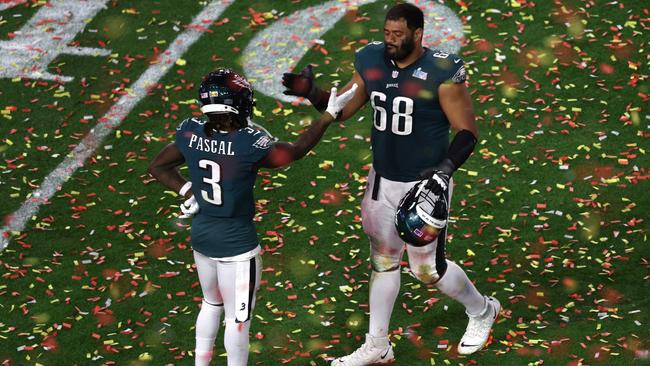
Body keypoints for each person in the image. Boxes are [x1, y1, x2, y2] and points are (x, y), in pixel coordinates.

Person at [282, 3, 499, 365]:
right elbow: (345, 108)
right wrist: (314, 92)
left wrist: (444, 171)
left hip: (425, 184)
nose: (390, 42)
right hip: (382, 179)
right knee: (383, 261)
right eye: (387, 34)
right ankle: (378, 344)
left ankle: (482, 311)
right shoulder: (371, 60)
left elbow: (467, 132)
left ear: (418, 34)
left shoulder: (440, 70)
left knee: (427, 270)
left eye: (398, 36)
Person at [149, 68, 357, 366]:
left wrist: (188, 191)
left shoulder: (189, 130)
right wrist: (327, 117)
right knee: (237, 320)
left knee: (210, 304)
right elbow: (294, 151)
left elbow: (157, 167)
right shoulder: (248, 142)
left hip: (202, 239)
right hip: (237, 246)